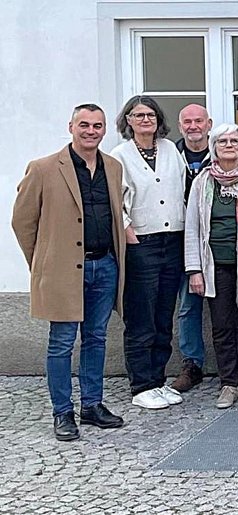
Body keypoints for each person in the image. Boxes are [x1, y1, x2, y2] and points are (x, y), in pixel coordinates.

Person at [12, 103, 126, 441]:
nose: (91, 131)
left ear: (105, 130)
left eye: (97, 125)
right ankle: (62, 412)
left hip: (104, 265)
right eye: (84, 124)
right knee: (61, 343)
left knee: (96, 338)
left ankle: (92, 405)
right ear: (71, 127)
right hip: (63, 271)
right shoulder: (44, 168)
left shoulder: (113, 167)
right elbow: (22, 221)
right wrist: (43, 262)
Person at [184, 124, 238, 409]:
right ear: (214, 147)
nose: (229, 145)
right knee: (221, 325)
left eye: (234, 140)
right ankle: (228, 382)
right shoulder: (202, 181)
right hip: (214, 266)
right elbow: (192, 227)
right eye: (222, 141)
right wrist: (194, 270)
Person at [112, 96, 187, 410]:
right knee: (141, 316)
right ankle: (141, 384)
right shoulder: (120, 155)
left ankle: (158, 379)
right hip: (141, 241)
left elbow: (182, 188)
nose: (146, 119)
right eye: (138, 115)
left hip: (173, 240)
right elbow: (115, 200)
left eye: (151, 114)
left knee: (163, 316)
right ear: (128, 120)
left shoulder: (170, 150)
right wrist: (128, 231)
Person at [172, 103, 213, 393]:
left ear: (209, 124)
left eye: (199, 120)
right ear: (180, 126)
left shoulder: (223, 151)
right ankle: (192, 363)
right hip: (178, 237)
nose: (193, 126)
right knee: (187, 305)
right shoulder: (170, 155)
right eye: (187, 121)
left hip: (217, 240)